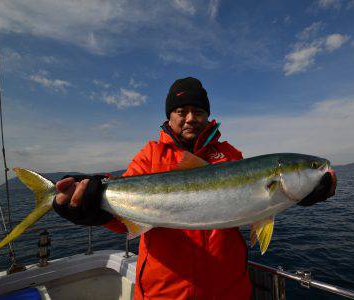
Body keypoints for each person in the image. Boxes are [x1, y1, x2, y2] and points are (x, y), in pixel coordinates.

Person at [53, 77, 332, 299]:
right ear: (170, 116)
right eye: (181, 111)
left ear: (207, 116)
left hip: (228, 293)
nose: (189, 118)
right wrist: (94, 209)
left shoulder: (229, 154)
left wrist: (309, 190)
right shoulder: (150, 156)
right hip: (164, 293)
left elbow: (253, 206)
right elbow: (124, 216)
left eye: (197, 111)